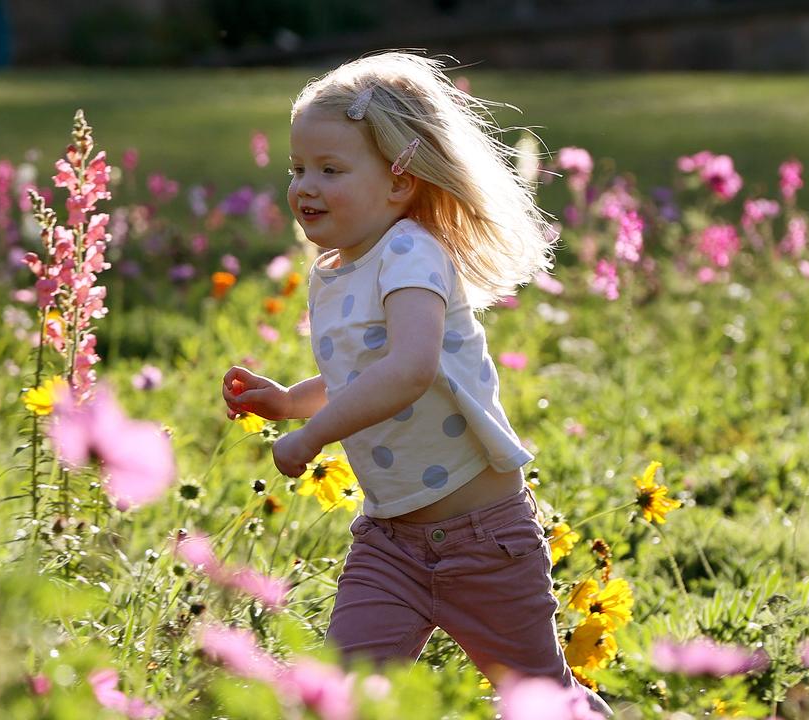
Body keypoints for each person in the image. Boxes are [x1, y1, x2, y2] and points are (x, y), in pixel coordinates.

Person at [220, 51, 612, 716]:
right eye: (298, 168)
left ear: (400, 184)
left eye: (330, 169)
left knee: (544, 702)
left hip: (483, 541)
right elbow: (363, 374)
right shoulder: (337, 268)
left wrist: (312, 436)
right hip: (392, 545)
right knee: (338, 694)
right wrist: (291, 401)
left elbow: (410, 369)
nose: (304, 186)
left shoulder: (410, 252)